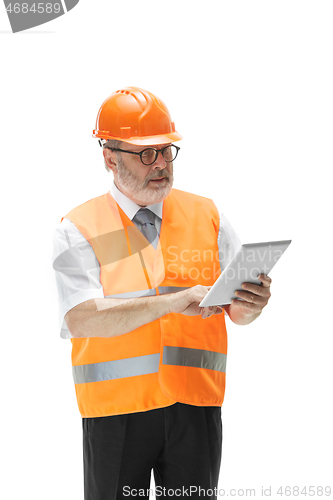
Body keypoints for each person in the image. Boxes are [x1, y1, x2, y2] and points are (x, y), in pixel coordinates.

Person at [52, 86, 272, 500]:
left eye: (166, 150)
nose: (161, 164)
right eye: (146, 153)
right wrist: (170, 303)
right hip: (116, 412)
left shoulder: (207, 215)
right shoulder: (79, 228)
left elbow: (235, 311)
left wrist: (250, 306)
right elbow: (79, 316)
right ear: (110, 157)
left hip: (195, 405)